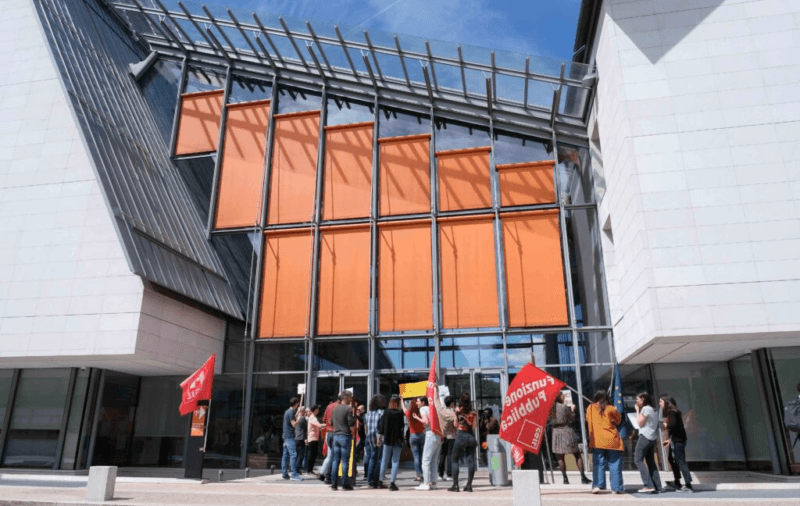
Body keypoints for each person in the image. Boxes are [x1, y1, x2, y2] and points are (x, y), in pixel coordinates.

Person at [549, 391, 591, 485]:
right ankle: (583, 477)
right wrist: (572, 410)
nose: (564, 398)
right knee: (577, 454)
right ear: (559, 397)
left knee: (560, 456)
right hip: (566, 431)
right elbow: (571, 418)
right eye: (563, 396)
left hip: (556, 433)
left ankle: (565, 479)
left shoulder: (550, 408)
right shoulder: (563, 407)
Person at [586, 389, 623, 494]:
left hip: (597, 440)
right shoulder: (611, 408)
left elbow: (588, 420)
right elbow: (618, 420)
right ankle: (616, 488)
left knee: (598, 463)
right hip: (612, 439)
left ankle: (598, 485)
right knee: (614, 463)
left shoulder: (590, 408)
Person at [660, 395, 693, 493]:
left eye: (661, 401)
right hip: (676, 440)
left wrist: (666, 425)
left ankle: (688, 485)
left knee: (680, 461)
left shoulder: (672, 412)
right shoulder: (673, 413)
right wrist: (669, 440)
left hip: (678, 441)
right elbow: (678, 429)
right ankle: (677, 482)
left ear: (667, 402)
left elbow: (673, 426)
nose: (659, 404)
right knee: (672, 459)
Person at [634, 392, 662, 494]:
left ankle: (648, 484)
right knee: (650, 462)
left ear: (643, 399)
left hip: (645, 437)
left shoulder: (646, 409)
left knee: (638, 460)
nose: (636, 401)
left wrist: (637, 411)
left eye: (638, 399)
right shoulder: (654, 409)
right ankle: (657, 486)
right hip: (652, 438)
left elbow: (639, 422)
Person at [449, 393, 478, 493]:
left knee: (454, 459)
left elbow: (456, 424)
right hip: (471, 436)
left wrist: (455, 414)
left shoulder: (457, 411)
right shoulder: (473, 412)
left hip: (461, 436)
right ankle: (469, 485)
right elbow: (474, 426)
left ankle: (455, 485)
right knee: (471, 460)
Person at [329, 391, 356, 491]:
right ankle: (345, 484)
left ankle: (334, 484)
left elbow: (331, 422)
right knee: (345, 461)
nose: (351, 399)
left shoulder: (335, 408)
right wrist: (352, 434)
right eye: (350, 397)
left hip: (335, 436)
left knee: (336, 460)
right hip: (345, 436)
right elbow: (351, 424)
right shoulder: (348, 408)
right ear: (346, 397)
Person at [378, 395, 405, 491]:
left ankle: (380, 480)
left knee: (384, 460)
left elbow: (382, 426)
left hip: (387, 439)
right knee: (395, 461)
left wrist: (379, 436)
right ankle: (392, 483)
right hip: (397, 439)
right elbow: (402, 426)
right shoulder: (399, 413)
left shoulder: (386, 412)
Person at [415, 395, 442, 491]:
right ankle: (434, 483)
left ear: (423, 402)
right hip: (438, 435)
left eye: (418, 401)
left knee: (425, 460)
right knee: (434, 461)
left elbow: (426, 421)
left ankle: (426, 483)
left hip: (430, 434)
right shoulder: (432, 408)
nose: (416, 403)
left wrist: (417, 418)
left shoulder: (423, 409)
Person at [364, 394, 385, 488]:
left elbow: (366, 428)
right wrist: (379, 438)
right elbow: (381, 427)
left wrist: (367, 436)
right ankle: (376, 479)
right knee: (379, 459)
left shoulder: (367, 414)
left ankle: (370, 480)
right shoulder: (382, 413)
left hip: (369, 438)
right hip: (378, 438)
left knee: (372, 459)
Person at [317, 396, 339, 484]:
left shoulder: (329, 406)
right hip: (336, 432)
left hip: (329, 432)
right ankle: (330, 476)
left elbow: (324, 419)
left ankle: (324, 473)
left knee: (330, 455)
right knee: (336, 457)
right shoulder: (340, 406)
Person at [403, 395, 425, 481]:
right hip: (422, 435)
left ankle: (418, 474)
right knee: (422, 455)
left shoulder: (409, 414)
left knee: (416, 456)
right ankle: (423, 473)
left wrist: (402, 400)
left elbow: (404, 409)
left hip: (413, 436)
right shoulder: (421, 413)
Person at [281, 397, 303, 481]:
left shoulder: (287, 412)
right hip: (290, 436)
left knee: (285, 456)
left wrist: (297, 414)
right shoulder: (291, 412)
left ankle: (284, 473)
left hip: (286, 436)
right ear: (296, 404)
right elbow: (294, 424)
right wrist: (299, 417)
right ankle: (294, 474)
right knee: (293, 455)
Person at [436, 394, 456, 481]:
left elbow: (436, 400)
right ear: (451, 403)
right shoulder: (453, 414)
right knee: (450, 455)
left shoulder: (441, 411)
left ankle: (440, 474)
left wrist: (436, 389)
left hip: (442, 436)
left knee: (442, 455)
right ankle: (449, 474)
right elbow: (456, 425)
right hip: (451, 436)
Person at [306, 405, 321, 474]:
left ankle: (310, 469)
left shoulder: (313, 417)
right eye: (317, 409)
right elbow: (319, 425)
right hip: (313, 438)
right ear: (314, 410)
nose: (318, 411)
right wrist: (327, 425)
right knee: (312, 454)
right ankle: (309, 470)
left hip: (315, 438)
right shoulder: (312, 418)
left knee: (313, 454)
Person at [294, 406, 308, 475]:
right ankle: (297, 468)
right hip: (300, 437)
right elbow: (306, 426)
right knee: (301, 454)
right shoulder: (302, 418)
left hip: (297, 438)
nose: (305, 411)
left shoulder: (296, 418)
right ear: (301, 411)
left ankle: (296, 468)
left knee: (298, 454)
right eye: (304, 410)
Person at [355, 404, 366, 477]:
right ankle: (355, 469)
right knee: (356, 452)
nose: (358, 411)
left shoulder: (364, 417)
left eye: (359, 410)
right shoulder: (360, 417)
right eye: (357, 410)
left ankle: (366, 470)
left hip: (364, 438)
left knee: (365, 454)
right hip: (361, 437)